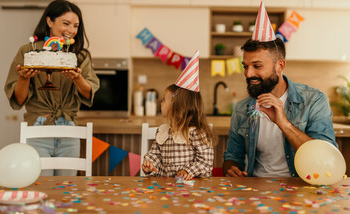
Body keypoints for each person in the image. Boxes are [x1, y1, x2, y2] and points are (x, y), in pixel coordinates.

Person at [223, 2, 337, 178]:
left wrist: (284, 123)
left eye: (257, 66)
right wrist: (231, 168)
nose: (248, 73)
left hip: (300, 189)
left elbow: (326, 157)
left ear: (280, 65)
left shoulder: (314, 101)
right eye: (245, 66)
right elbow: (232, 157)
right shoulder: (242, 109)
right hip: (256, 191)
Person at [4, 0, 99, 176]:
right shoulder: (28, 52)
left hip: (69, 128)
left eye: (76, 26)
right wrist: (24, 79)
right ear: (49, 21)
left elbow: (88, 92)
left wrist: (78, 78)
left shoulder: (79, 55)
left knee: (67, 189)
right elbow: (18, 99)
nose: (71, 30)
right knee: (42, 188)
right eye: (66, 23)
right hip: (38, 127)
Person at [142, 51, 217, 180]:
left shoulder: (196, 133)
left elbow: (206, 161)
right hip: (165, 188)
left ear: (177, 106)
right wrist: (150, 163)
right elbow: (154, 153)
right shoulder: (163, 131)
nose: (161, 103)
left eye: (164, 100)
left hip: (191, 189)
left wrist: (188, 171)